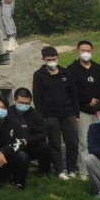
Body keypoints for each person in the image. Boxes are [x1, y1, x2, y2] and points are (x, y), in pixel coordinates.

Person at [33, 46, 79, 179]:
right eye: (48, 60)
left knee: (72, 142)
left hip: (68, 113)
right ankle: (59, 170)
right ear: (43, 59)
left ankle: (72, 169)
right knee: (54, 143)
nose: (51, 62)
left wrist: (76, 114)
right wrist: (41, 116)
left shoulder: (66, 73)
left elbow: (73, 94)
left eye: (53, 59)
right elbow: (37, 97)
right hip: (50, 115)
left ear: (58, 58)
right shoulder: (39, 75)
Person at [68, 40, 100, 181]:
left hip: (98, 111)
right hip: (82, 110)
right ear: (78, 51)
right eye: (83, 50)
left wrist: (97, 103)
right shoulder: (71, 69)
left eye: (88, 50)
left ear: (92, 51)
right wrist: (87, 100)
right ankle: (84, 171)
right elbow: (73, 91)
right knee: (84, 142)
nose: (85, 53)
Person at [9, 88, 52, 177]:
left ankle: (44, 173)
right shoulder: (8, 113)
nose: (24, 105)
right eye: (21, 102)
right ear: (14, 100)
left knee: (44, 147)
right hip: (13, 146)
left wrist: (28, 140)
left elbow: (42, 133)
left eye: (27, 103)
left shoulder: (36, 114)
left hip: (30, 145)